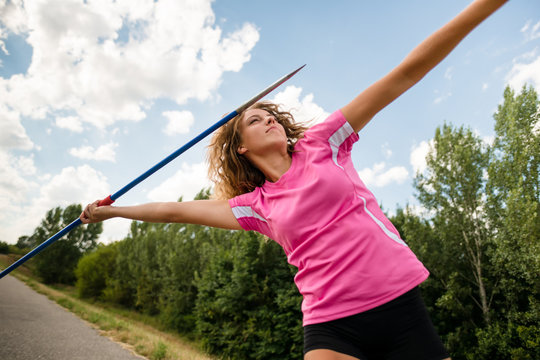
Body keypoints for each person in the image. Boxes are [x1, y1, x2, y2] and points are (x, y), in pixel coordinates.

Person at [81, 0, 508, 359]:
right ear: (241, 148)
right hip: (331, 321)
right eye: (254, 119)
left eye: (271, 115)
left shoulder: (325, 142)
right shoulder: (256, 206)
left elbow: (405, 73)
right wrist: (113, 211)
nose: (268, 119)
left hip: (398, 305)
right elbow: (174, 210)